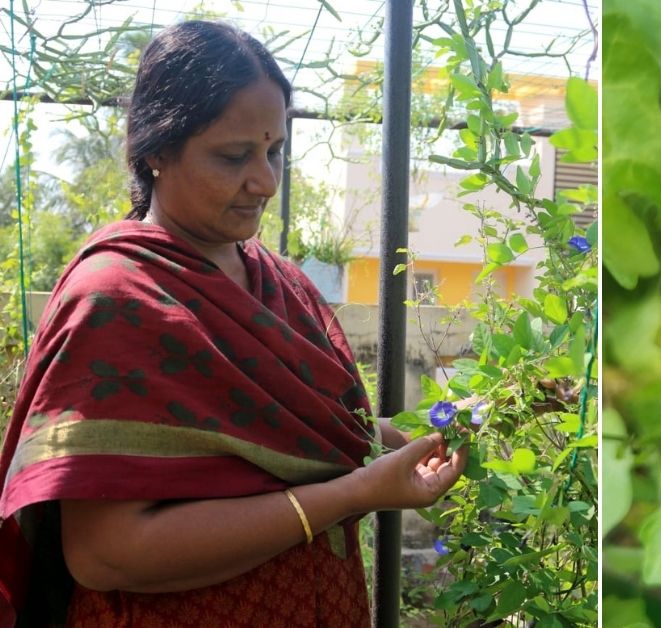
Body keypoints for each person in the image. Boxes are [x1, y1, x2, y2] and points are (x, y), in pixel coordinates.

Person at [0, 20, 466, 627]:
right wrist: (353, 495)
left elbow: (301, 441)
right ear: (157, 150)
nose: (265, 181)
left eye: (274, 151)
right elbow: (104, 553)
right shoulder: (116, 298)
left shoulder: (284, 284)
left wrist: (446, 431)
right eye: (234, 155)